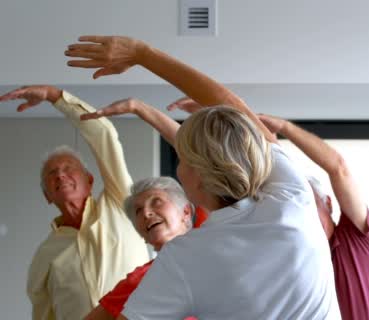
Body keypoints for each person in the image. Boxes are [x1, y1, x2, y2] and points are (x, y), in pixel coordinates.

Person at [65, 35, 341, 319]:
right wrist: (142, 53)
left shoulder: (185, 259)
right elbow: (231, 106)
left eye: (182, 158)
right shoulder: (291, 197)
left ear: (195, 181)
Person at [0, 85, 149, 320]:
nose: (60, 175)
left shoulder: (121, 205)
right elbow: (43, 315)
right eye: (51, 174)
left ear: (89, 181)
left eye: (69, 169)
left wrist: (54, 96)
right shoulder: (45, 256)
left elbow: (104, 136)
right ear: (47, 195)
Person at [254, 114, 369, 319]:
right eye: (300, 212)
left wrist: (285, 127)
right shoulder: (301, 257)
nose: (307, 219)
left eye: (312, 208)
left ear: (329, 204)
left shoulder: (356, 238)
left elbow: (338, 168)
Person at [84, 177, 206, 320]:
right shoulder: (138, 280)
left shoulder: (214, 255)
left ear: (186, 212)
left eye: (156, 202)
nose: (146, 213)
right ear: (142, 235)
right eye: (138, 211)